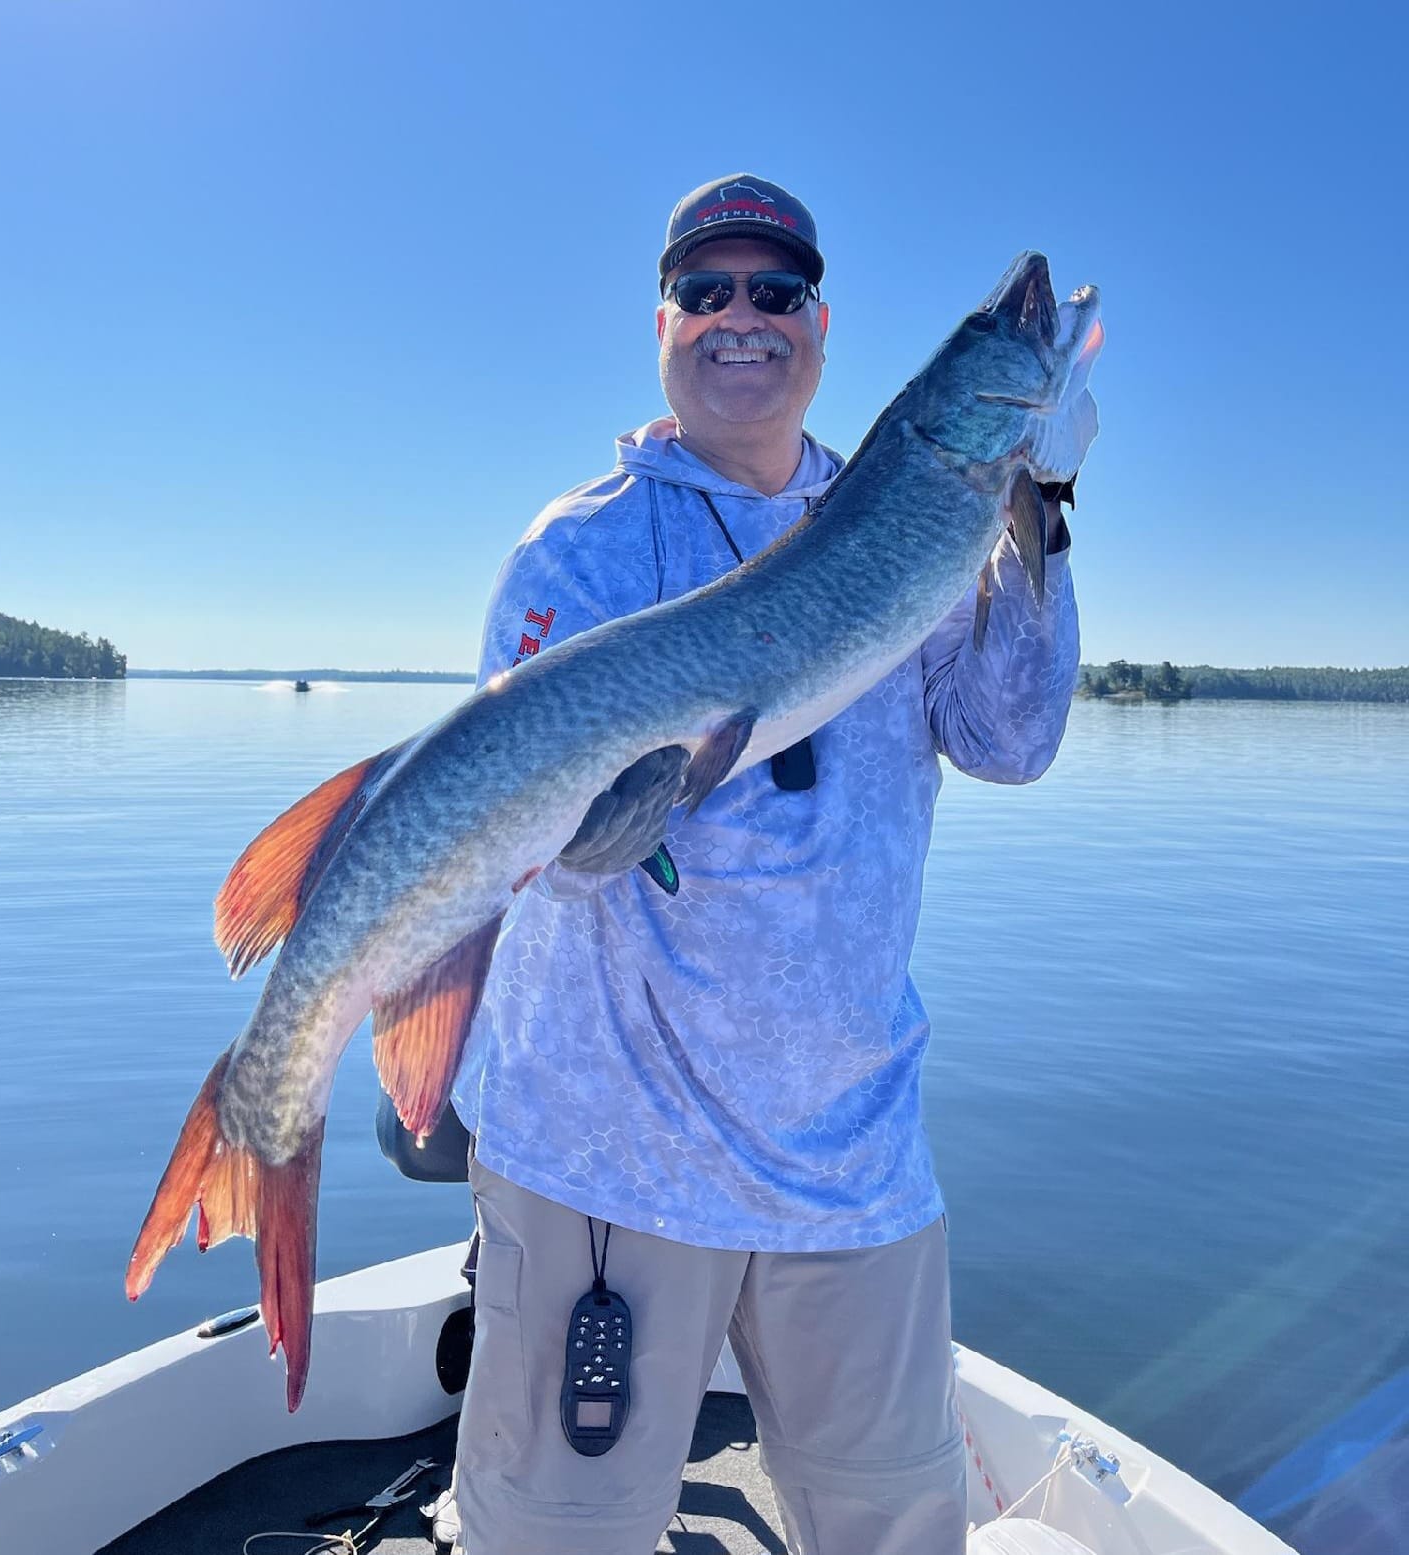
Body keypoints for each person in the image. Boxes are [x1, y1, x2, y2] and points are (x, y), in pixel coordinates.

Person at [433, 174, 1093, 1554]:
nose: (744, 316)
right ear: (663, 324)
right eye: (709, 290)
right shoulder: (582, 547)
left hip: (850, 1168)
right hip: (605, 1169)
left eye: (777, 291)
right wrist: (620, 810)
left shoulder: (912, 510)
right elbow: (570, 855)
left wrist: (1044, 513)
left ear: (822, 325)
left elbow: (1009, 736)